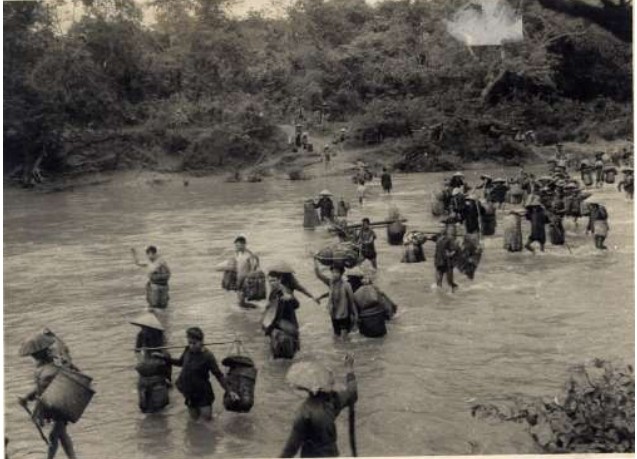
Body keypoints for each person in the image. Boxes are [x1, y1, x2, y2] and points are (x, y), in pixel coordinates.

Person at [280, 355, 357, 458]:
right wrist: (349, 370)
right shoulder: (333, 401)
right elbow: (352, 393)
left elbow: (290, 449)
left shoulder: (304, 413)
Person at [158, 327, 239, 421]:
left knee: (207, 421)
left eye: (194, 343)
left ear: (201, 341)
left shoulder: (208, 356)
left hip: (203, 393)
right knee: (194, 422)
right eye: (189, 342)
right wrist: (164, 358)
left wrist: (229, 391)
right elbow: (180, 363)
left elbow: (218, 375)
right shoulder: (187, 350)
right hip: (189, 392)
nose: (191, 346)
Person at [18, 334, 77, 459]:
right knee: (62, 435)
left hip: (59, 406)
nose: (33, 357)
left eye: (34, 354)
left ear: (39, 354)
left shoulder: (51, 369)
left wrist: (27, 397)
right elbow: (40, 389)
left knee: (53, 436)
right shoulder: (48, 367)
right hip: (56, 405)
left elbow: (43, 389)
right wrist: (27, 398)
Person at [131, 313, 172, 413]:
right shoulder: (141, 334)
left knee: (159, 405)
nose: (143, 330)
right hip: (146, 362)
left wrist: (160, 356)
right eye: (142, 327)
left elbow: (165, 353)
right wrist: (141, 361)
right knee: (144, 402)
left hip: (158, 362)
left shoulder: (160, 336)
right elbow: (137, 350)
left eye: (145, 328)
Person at [314, 261, 358, 339]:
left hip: (344, 315)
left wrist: (355, 315)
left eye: (337, 272)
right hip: (334, 314)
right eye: (333, 272)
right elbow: (319, 275)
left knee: (344, 338)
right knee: (336, 337)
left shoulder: (346, 285)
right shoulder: (331, 283)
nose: (334, 274)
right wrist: (315, 262)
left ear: (341, 274)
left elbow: (352, 300)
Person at [234, 235, 260, 309]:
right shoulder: (238, 253)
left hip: (246, 278)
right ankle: (248, 308)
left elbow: (254, 266)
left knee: (241, 298)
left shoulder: (249, 255)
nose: (236, 247)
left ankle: (252, 309)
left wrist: (250, 277)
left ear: (243, 245)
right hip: (239, 277)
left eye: (238, 245)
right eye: (235, 245)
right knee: (239, 297)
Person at [433, 221, 460, 292]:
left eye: (443, 227)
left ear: (446, 229)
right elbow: (428, 239)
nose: (441, 229)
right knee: (438, 282)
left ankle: (456, 292)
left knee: (450, 282)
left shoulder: (449, 239)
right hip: (439, 262)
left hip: (447, 263)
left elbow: (455, 249)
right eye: (440, 227)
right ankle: (440, 297)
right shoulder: (438, 236)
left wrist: (451, 254)